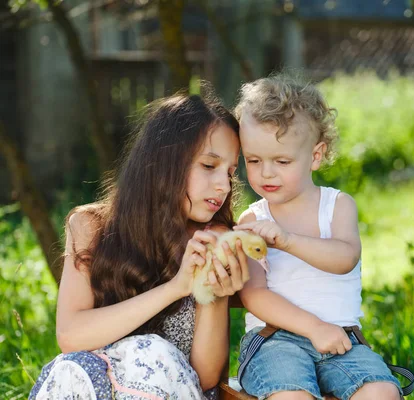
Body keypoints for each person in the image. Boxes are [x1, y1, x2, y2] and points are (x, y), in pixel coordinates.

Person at [29, 91, 249, 400]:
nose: (224, 186)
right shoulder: (90, 227)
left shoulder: (211, 240)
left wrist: (215, 293)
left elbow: (206, 376)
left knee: (153, 353)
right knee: (72, 368)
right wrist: (176, 287)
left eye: (230, 173)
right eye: (209, 166)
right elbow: (71, 335)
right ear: (164, 162)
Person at [233, 74, 404, 400]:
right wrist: (313, 328)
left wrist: (287, 241)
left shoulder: (337, 206)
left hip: (342, 340)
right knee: (291, 396)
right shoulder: (253, 219)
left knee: (381, 392)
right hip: (273, 341)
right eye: (253, 161)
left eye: (282, 161)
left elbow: (344, 258)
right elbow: (254, 295)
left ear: (315, 155)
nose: (266, 172)